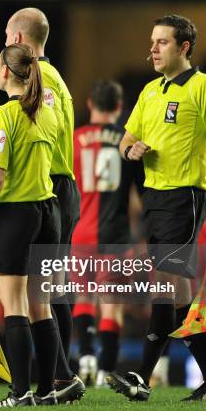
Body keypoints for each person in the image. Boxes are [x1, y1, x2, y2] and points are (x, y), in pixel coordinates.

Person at [107, 14, 206, 402]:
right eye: (152, 41)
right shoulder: (149, 92)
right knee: (176, 298)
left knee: (164, 288)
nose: (153, 49)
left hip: (187, 198)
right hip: (154, 199)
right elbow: (125, 140)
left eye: (162, 42)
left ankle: (141, 377)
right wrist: (132, 149)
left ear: (184, 48)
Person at [0, 43, 61, 407]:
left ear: (5, 71)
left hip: (16, 216)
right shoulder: (47, 112)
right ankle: (47, 390)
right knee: (42, 306)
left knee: (14, 307)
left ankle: (20, 393)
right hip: (47, 214)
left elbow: (0, 178)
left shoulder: (3, 115)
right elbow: (22, 165)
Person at [4, 7, 84, 404]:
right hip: (60, 185)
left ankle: (61, 375)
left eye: (6, 37)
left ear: (19, 39)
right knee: (50, 288)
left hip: (50, 185)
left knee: (48, 289)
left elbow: (40, 137)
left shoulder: (41, 79)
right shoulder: (55, 77)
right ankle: (59, 376)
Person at [71, 80, 144, 387]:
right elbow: (140, 201)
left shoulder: (72, 139)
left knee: (83, 295)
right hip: (116, 236)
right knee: (112, 305)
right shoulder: (127, 142)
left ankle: (86, 354)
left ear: (90, 104)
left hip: (80, 233)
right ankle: (106, 371)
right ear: (118, 107)